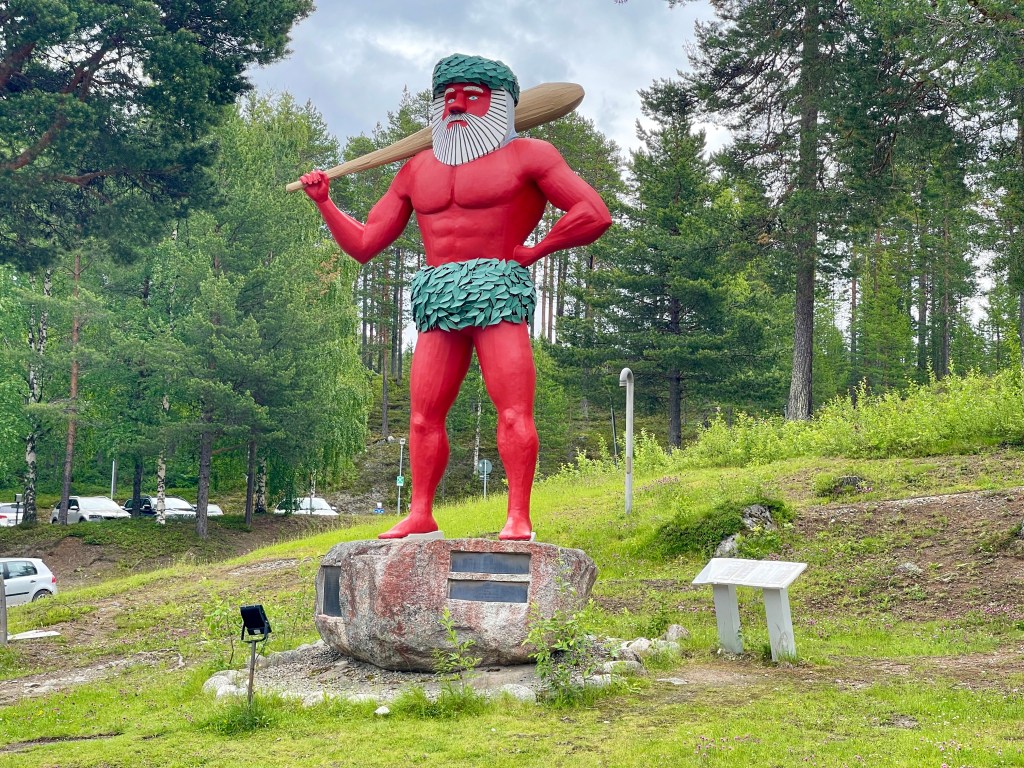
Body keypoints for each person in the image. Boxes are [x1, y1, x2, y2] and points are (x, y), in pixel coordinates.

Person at [300, 53, 611, 540]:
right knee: (422, 416)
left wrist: (537, 250)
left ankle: (518, 515)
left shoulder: (531, 155)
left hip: (497, 292)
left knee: (513, 410)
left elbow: (593, 213)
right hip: (438, 296)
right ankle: (420, 513)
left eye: (471, 95)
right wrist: (325, 203)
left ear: (502, 104)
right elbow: (364, 244)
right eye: (448, 97)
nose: (457, 105)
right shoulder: (415, 169)